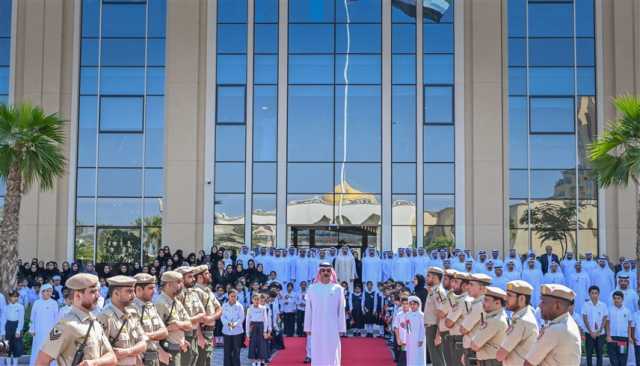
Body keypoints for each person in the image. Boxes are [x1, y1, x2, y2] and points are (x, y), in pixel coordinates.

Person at [35, 273, 117, 365]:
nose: (98, 296)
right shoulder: (64, 325)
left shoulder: (95, 323)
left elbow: (112, 357)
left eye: (98, 291)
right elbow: (42, 361)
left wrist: (94, 363)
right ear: (78, 296)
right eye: (93, 292)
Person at [523, 284, 581, 366]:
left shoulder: (556, 329)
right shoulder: (568, 323)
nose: (539, 305)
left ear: (557, 305)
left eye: (543, 302)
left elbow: (528, 363)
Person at [97, 275, 148, 365]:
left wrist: (127, 352)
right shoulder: (105, 317)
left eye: (133, 291)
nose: (133, 295)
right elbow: (100, 352)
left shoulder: (132, 313)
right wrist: (134, 351)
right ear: (116, 293)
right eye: (129, 291)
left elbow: (143, 344)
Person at [304, 262, 347, 366]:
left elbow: (341, 310)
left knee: (332, 350)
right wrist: (308, 328)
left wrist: (342, 328)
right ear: (319, 272)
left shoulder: (338, 289)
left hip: (333, 327)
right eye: (323, 271)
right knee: (317, 350)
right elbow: (308, 310)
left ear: (331, 272)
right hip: (316, 326)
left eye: (328, 271)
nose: (326, 273)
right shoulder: (312, 288)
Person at [130, 273, 170, 366]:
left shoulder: (150, 306)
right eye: (150, 288)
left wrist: (148, 336)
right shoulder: (131, 309)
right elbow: (134, 339)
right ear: (139, 290)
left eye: (154, 288)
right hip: (141, 360)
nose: (154, 291)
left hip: (154, 358)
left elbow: (164, 332)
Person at [154, 271, 192, 366]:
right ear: (169, 284)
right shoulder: (160, 303)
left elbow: (189, 325)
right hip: (167, 351)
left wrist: (178, 325)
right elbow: (155, 332)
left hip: (178, 348)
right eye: (178, 282)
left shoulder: (176, 302)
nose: (181, 285)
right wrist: (161, 352)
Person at [496, 280, 539, 366]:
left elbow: (500, 355)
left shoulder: (521, 321)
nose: (505, 298)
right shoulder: (526, 314)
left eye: (509, 295)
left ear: (522, 299)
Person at [174, 266, 206, 366]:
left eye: (193, 276)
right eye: (190, 277)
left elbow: (203, 313)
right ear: (181, 279)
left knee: (193, 358)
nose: (193, 279)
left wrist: (192, 321)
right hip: (184, 335)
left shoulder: (192, 292)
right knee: (185, 361)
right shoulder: (178, 296)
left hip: (194, 333)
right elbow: (177, 320)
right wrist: (194, 319)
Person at [470, 286, 508, 366]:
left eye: (486, 300)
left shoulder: (495, 320)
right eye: (484, 299)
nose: (483, 302)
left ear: (497, 303)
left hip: (491, 362)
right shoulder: (499, 316)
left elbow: (474, 345)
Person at [191, 265, 222, 366]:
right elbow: (195, 318)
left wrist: (210, 318)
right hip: (201, 333)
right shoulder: (195, 292)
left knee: (207, 360)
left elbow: (219, 309)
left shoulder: (208, 291)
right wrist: (199, 336)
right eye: (207, 273)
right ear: (199, 277)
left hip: (209, 332)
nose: (210, 275)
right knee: (201, 361)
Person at [461, 273, 492, 366]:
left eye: (471, 285)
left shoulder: (479, 305)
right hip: (476, 349)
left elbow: (463, 329)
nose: (467, 287)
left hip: (474, 350)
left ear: (482, 288)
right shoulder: (481, 303)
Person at [28, 284, 59, 366]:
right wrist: (32, 329)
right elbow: (32, 318)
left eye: (50, 291)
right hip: (38, 333)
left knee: (50, 352)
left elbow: (57, 320)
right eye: (46, 291)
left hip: (50, 333)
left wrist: (56, 334)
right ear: (42, 292)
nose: (48, 293)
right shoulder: (37, 303)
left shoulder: (54, 303)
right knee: (38, 350)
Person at [445, 271, 469, 365]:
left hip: (458, 339)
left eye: (456, 282)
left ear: (464, 286)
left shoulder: (461, 301)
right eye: (453, 281)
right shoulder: (471, 299)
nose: (453, 285)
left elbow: (448, 323)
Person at [424, 266, 446, 366]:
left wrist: (438, 335)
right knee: (434, 358)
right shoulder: (433, 291)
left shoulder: (439, 292)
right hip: (431, 327)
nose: (426, 278)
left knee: (438, 359)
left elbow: (442, 314)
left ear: (435, 278)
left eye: (428, 276)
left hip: (435, 328)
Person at [582, 285, 607, 366]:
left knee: (599, 354)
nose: (594, 295)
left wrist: (599, 330)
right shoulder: (586, 305)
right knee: (588, 354)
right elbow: (585, 318)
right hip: (589, 333)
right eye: (592, 293)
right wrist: (591, 332)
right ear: (589, 294)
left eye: (596, 293)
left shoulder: (603, 305)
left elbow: (605, 318)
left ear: (598, 294)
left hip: (600, 334)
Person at [606, 291, 632, 366]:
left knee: (622, 359)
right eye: (615, 298)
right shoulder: (609, 310)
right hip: (612, 338)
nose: (616, 300)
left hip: (623, 339)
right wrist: (608, 336)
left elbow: (629, 325)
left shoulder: (627, 311)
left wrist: (629, 337)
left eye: (618, 298)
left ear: (622, 299)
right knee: (613, 359)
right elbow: (607, 324)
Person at [246, 293, 270, 366]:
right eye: (255, 299)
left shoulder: (263, 308)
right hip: (253, 326)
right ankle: (253, 361)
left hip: (261, 326)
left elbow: (265, 320)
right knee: (253, 344)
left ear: (260, 300)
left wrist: (265, 331)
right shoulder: (249, 309)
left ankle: (259, 361)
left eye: (258, 299)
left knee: (261, 345)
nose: (256, 301)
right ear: (252, 300)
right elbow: (247, 321)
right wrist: (247, 333)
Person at [222, 289, 244, 366]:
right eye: (231, 296)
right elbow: (222, 317)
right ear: (228, 296)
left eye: (235, 296)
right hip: (227, 331)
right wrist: (228, 323)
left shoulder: (239, 306)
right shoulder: (224, 306)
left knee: (236, 351)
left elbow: (241, 318)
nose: (233, 298)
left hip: (237, 331)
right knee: (227, 351)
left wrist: (235, 324)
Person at [1, 290, 24, 366]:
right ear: (10, 298)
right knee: (6, 347)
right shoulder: (6, 307)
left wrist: (18, 331)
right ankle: (7, 364)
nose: (14, 298)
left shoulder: (20, 307)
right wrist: (3, 332)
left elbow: (21, 320)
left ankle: (15, 364)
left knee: (16, 348)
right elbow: (3, 320)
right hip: (8, 326)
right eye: (12, 296)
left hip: (16, 326)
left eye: (16, 296)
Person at [406, 296, 426, 366]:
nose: (412, 306)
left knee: (419, 355)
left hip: (419, 339)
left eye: (414, 304)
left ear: (418, 305)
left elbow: (423, 328)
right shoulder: (408, 315)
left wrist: (421, 339)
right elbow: (408, 329)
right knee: (410, 356)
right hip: (410, 340)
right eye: (411, 304)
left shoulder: (421, 315)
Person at [393, 296, 410, 366]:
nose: (405, 305)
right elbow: (396, 327)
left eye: (407, 303)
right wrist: (397, 338)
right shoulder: (399, 315)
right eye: (403, 304)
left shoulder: (413, 314)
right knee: (402, 357)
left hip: (411, 341)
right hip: (402, 341)